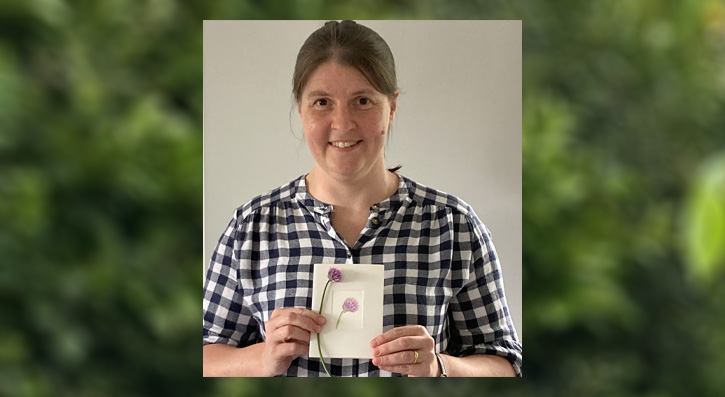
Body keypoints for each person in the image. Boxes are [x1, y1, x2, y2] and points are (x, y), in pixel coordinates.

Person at [203, 20, 522, 377]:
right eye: (322, 102)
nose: (343, 123)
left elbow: (505, 365)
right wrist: (261, 358)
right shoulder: (252, 228)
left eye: (363, 101)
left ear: (392, 106)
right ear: (301, 108)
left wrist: (438, 367)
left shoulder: (454, 226)